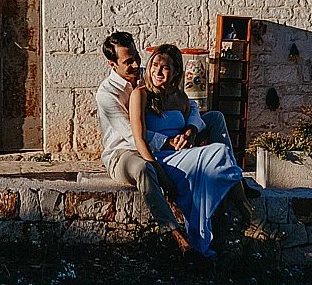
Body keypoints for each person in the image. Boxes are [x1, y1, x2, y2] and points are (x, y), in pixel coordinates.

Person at [129, 44, 264, 259]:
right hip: (163, 158)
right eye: (155, 65)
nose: (158, 72)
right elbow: (139, 138)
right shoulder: (141, 95)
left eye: (165, 68)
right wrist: (159, 169)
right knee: (219, 151)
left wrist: (188, 133)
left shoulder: (180, 98)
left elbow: (193, 120)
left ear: (176, 73)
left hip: (185, 154)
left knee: (218, 155)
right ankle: (249, 213)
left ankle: (225, 218)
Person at [96, 31, 204, 257]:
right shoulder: (107, 94)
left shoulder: (149, 75)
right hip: (124, 153)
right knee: (144, 168)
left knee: (214, 119)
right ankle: (175, 233)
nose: (136, 64)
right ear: (112, 64)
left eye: (136, 56)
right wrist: (169, 141)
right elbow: (131, 134)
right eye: (128, 61)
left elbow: (190, 105)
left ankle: (235, 182)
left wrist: (190, 130)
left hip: (166, 144)